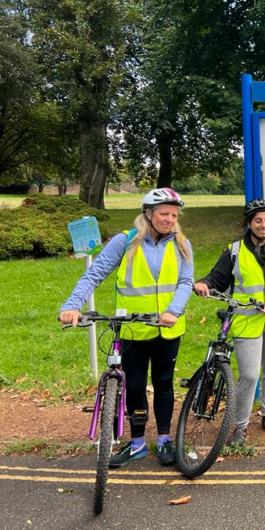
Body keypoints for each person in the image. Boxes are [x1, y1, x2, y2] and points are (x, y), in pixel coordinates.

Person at [60, 188, 193, 467]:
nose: (169, 219)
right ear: (148, 213)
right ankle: (137, 443)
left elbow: (185, 282)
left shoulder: (182, 244)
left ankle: (165, 440)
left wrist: (173, 310)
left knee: (164, 383)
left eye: (173, 215)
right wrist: (72, 305)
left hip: (167, 328)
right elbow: (95, 274)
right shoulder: (125, 241)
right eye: (163, 214)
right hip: (132, 328)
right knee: (133, 385)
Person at [193, 199, 265, 444]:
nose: (264, 225)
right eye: (258, 220)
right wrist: (203, 284)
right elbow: (217, 278)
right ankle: (240, 426)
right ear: (249, 223)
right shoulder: (235, 251)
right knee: (249, 375)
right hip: (246, 321)